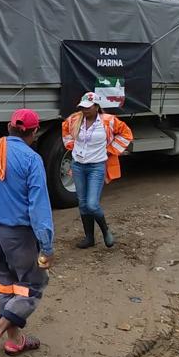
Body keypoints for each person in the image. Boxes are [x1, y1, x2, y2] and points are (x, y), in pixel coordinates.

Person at [0, 109, 55, 357]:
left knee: (6, 284)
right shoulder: (31, 159)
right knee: (33, 286)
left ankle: (15, 341)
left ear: (9, 126)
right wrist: (47, 245)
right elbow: (38, 206)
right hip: (19, 235)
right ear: (34, 132)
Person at [60, 92, 132, 249]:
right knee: (83, 203)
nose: (84, 110)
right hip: (78, 165)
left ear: (97, 107)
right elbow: (65, 130)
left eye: (87, 107)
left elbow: (126, 134)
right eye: (82, 107)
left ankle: (106, 231)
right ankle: (89, 238)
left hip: (96, 166)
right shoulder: (74, 119)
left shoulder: (108, 121)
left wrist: (111, 150)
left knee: (92, 204)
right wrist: (72, 146)